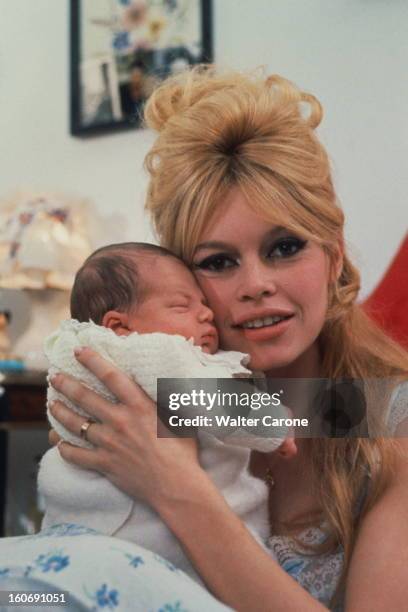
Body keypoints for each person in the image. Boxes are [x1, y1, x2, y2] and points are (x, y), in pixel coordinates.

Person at [47, 67, 408, 611]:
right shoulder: (153, 398)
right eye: (218, 261)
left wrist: (171, 483)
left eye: (284, 247)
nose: (257, 285)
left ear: (333, 255)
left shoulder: (386, 419)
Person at [39, 241, 293, 582]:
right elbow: (207, 396)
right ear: (119, 327)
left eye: (285, 248)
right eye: (181, 305)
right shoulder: (148, 352)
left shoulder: (74, 355)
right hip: (146, 548)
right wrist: (276, 425)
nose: (206, 314)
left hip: (70, 540)